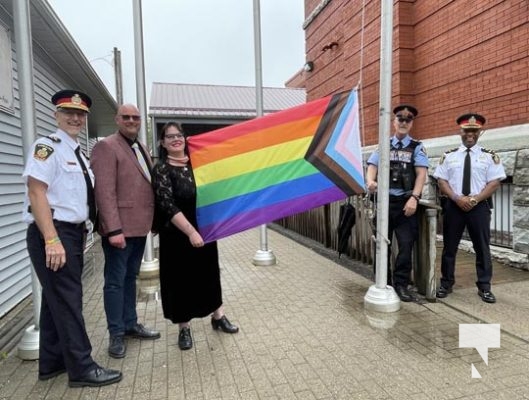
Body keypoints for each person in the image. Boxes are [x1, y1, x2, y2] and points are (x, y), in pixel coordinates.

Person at [22, 89, 122, 387]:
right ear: (56, 115)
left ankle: (52, 363)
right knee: (69, 302)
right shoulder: (47, 147)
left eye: (80, 114)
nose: (75, 118)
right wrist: (52, 239)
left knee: (55, 302)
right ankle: (83, 368)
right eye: (69, 112)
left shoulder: (77, 152)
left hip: (71, 234)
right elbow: (36, 191)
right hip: (53, 233)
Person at [152, 122, 239, 351]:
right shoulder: (161, 169)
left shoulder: (198, 165)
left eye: (178, 135)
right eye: (169, 137)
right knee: (181, 280)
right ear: (163, 143)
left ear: (185, 138)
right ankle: (184, 328)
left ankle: (218, 316)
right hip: (178, 234)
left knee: (209, 273)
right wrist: (190, 231)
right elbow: (166, 205)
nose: (175, 139)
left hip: (205, 229)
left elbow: (219, 187)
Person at [90, 104, 160, 359]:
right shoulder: (107, 146)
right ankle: (116, 333)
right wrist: (114, 229)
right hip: (119, 230)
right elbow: (104, 193)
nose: (132, 121)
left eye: (136, 117)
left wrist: (154, 220)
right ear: (117, 119)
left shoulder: (140, 147)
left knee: (131, 279)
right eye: (126, 117)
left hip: (139, 227)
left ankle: (130, 324)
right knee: (115, 282)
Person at [434, 113, 506, 303]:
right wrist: (457, 198)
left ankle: (484, 287)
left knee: (482, 248)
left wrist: (474, 200)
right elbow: (442, 181)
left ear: (479, 132)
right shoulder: (448, 156)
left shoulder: (489, 157)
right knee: (449, 248)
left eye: (474, 131)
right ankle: (446, 283)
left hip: (479, 208)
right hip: (454, 206)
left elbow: (494, 183)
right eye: (467, 131)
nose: (470, 135)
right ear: (461, 131)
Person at [365, 105, 429, 302]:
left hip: (405, 204)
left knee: (406, 245)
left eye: (407, 120)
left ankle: (401, 285)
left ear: (411, 124)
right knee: (380, 245)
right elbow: (372, 166)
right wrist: (370, 181)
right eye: (400, 119)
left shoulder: (417, 147)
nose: (403, 122)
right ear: (394, 122)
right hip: (384, 203)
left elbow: (421, 174)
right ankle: (383, 282)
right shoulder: (384, 145)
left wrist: (414, 198)